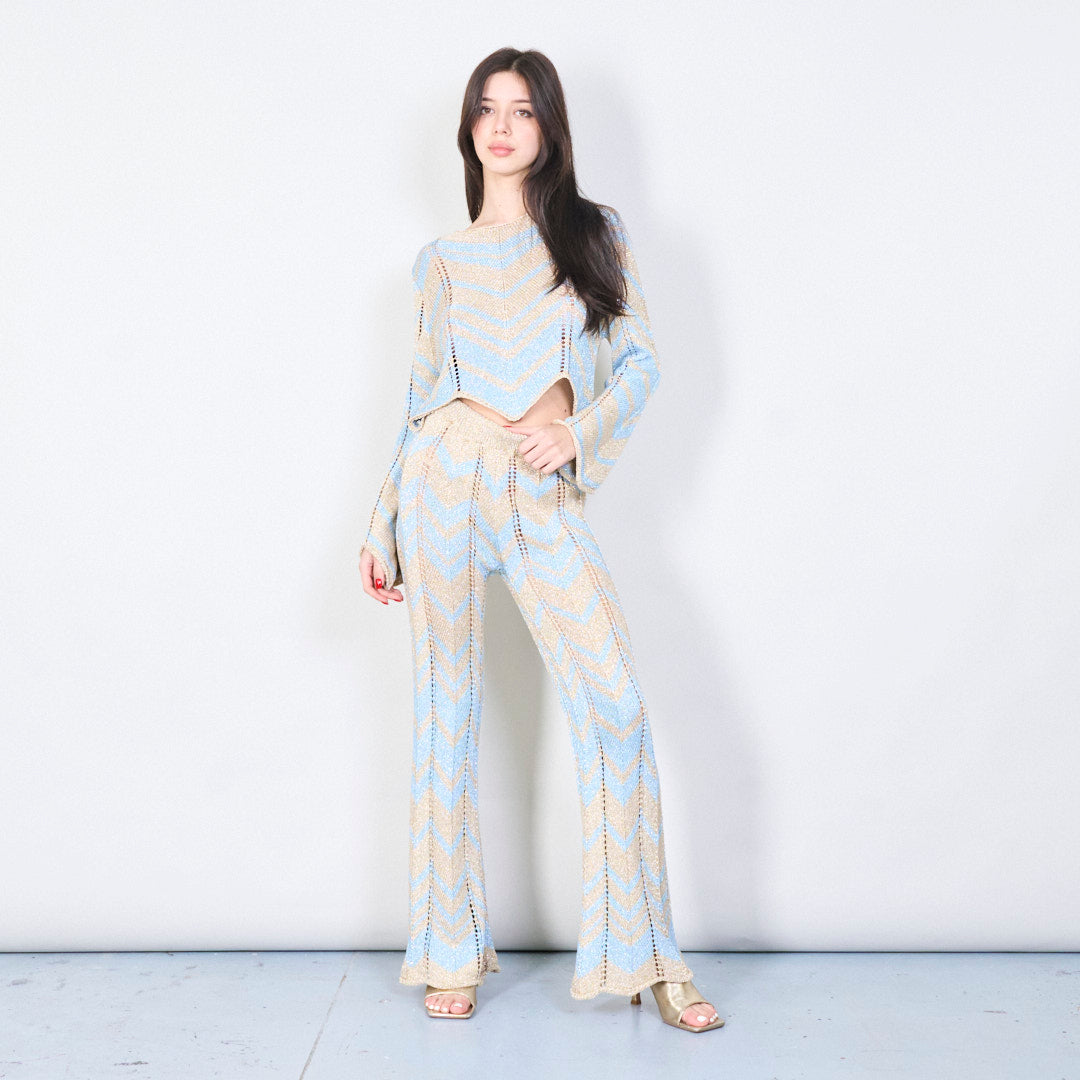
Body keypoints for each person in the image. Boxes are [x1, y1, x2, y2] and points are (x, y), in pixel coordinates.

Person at [358, 47, 724, 1034]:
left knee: (615, 704)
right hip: (442, 476)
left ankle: (649, 959)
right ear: (469, 129)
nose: (503, 126)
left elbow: (640, 362)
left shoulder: (591, 234)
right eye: (488, 109)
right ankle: (448, 951)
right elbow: (418, 399)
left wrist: (578, 433)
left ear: (551, 128)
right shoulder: (440, 261)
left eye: (523, 110)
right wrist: (381, 519)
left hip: (534, 482)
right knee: (446, 711)